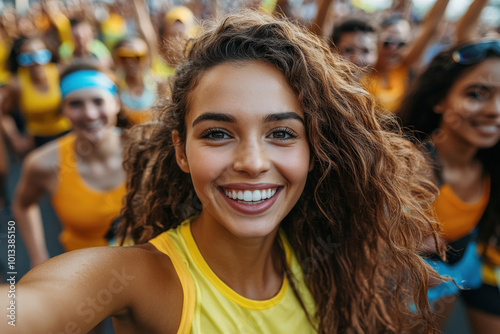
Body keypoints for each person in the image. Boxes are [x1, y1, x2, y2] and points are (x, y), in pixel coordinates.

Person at [1, 11, 440, 333]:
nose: (251, 161)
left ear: (315, 150)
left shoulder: (333, 258)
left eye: (282, 133)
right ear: (182, 151)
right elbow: (27, 309)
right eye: (216, 134)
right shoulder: (143, 279)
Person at [398, 39, 500, 333]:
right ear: (439, 100)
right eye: (477, 94)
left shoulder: (489, 166)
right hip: (403, 294)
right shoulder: (411, 166)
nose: (495, 110)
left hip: (455, 279)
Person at [11, 61, 126, 269]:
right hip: (83, 276)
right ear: (62, 109)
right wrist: (38, 257)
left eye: (98, 101)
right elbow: (23, 204)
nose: (89, 114)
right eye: (75, 104)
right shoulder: (44, 164)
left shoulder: (146, 150)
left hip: (147, 272)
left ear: (116, 102)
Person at [0, 35, 71, 152]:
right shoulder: (16, 84)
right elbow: (5, 114)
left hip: (67, 133)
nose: (35, 62)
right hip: (37, 140)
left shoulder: (60, 73)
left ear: (49, 55)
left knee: (70, 169)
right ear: (20, 61)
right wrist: (15, 138)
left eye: (41, 56)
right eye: (27, 58)